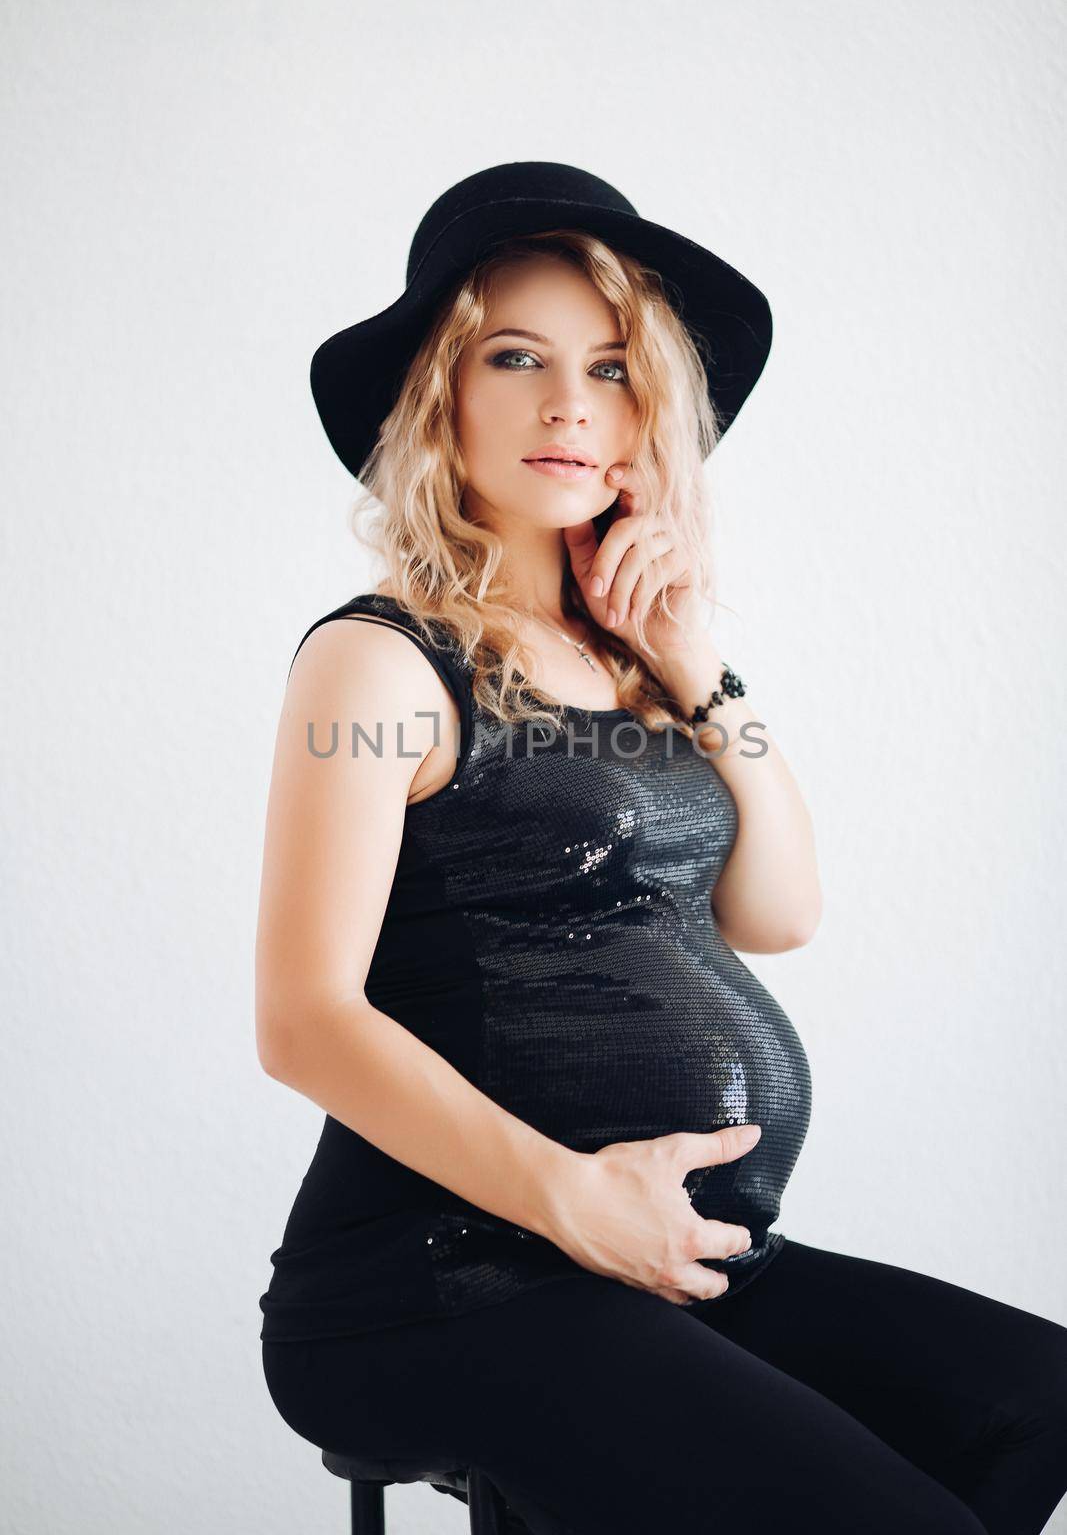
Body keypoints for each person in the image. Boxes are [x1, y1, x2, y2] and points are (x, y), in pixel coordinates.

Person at [255, 162, 1067, 1535]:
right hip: (445, 1276)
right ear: (441, 391)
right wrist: (574, 1201)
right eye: (516, 356)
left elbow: (780, 910)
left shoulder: (635, 664)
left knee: (1036, 1397)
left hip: (675, 1258)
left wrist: (702, 669)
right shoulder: (380, 662)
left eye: (615, 368)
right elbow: (304, 1021)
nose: (571, 402)